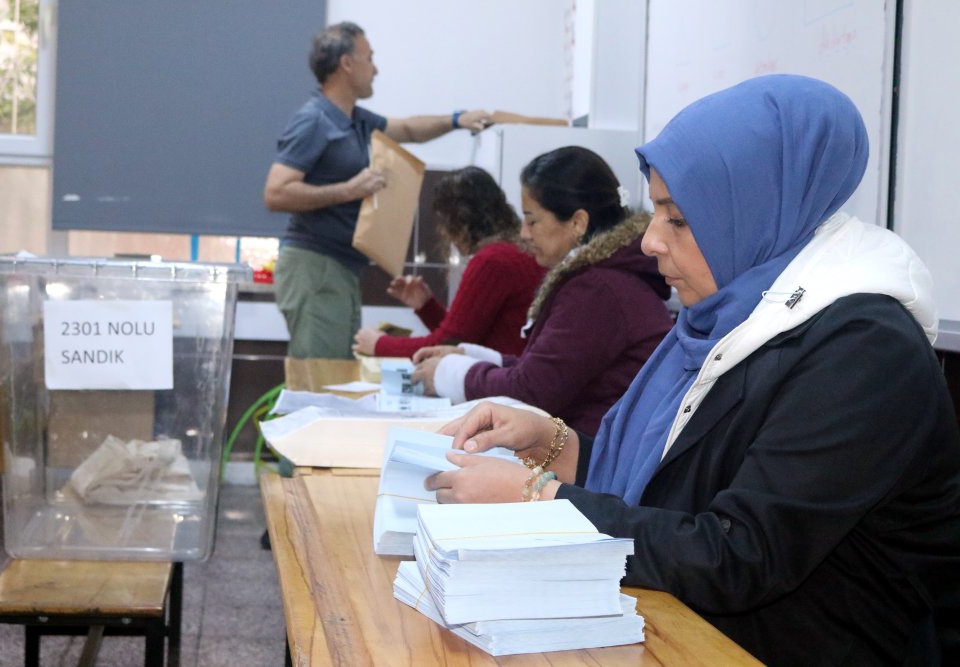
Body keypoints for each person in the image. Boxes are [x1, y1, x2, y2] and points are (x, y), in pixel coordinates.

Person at [425, 75, 960, 665]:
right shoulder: (734, 317)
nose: (651, 241)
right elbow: (686, 477)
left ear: (757, 210)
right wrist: (555, 445)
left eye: (677, 218)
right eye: (655, 212)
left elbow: (738, 555)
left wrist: (538, 500)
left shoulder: (864, 352)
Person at [263, 21, 492, 359]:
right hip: (315, 266)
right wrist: (349, 190)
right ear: (347, 63)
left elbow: (408, 129)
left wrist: (457, 119)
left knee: (336, 373)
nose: (376, 69)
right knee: (320, 378)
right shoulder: (314, 120)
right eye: (369, 58)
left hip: (339, 267)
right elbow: (275, 193)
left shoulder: (354, 118)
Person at [411, 147, 673, 435]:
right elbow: (547, 369)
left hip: (591, 465)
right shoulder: (604, 280)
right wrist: (469, 357)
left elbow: (532, 391)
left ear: (577, 222)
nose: (524, 233)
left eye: (532, 220)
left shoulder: (599, 290)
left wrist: (447, 374)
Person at [351, 166, 545, 359]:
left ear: (461, 219)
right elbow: (466, 335)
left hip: (501, 381)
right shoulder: (516, 251)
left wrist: (380, 344)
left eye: (443, 221)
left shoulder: (493, 260)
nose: (443, 232)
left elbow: (449, 343)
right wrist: (426, 306)